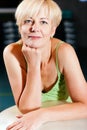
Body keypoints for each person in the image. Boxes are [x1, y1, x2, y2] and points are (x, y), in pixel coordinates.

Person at [3, 0, 87, 130]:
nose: (35, 28)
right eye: (28, 21)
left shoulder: (64, 51)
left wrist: (42, 115)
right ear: (19, 27)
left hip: (68, 120)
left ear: (52, 30)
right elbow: (28, 109)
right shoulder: (11, 52)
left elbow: (85, 106)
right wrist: (33, 65)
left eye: (43, 22)